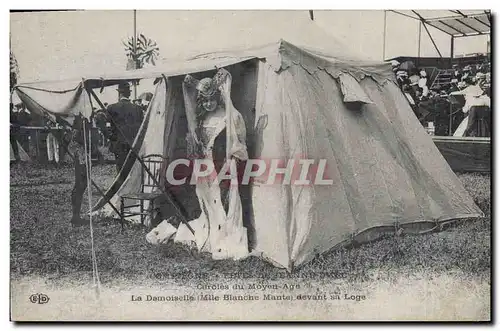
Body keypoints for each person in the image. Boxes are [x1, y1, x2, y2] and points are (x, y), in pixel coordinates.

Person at [105, 82, 144, 173]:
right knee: (132, 168)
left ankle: (121, 185)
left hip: (119, 144)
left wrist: (112, 138)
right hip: (133, 144)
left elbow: (107, 127)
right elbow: (142, 127)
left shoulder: (111, 108)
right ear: (129, 93)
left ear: (119, 93)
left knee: (120, 168)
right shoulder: (138, 109)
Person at [65, 115, 92, 226]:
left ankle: (76, 216)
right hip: (81, 156)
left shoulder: (83, 119)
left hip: (83, 155)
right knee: (80, 185)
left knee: (82, 185)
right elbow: (75, 138)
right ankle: (75, 217)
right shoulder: (81, 120)